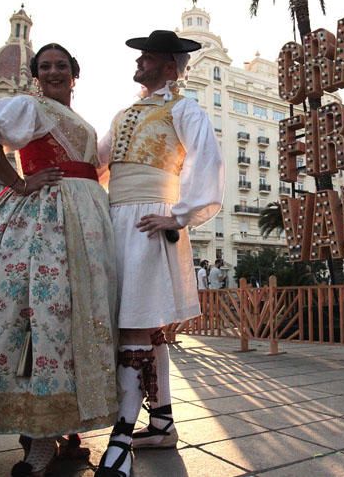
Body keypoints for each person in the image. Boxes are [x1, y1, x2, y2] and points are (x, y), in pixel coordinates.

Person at [0, 43, 119, 477]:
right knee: (39, 317)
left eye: (61, 65)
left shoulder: (80, 121)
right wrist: (18, 181)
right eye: (45, 66)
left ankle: (69, 429)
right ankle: (38, 439)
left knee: (74, 324)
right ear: (35, 75)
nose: (53, 71)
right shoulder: (29, 107)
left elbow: (95, 169)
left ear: (75, 74)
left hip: (86, 227)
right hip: (43, 223)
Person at [95, 30, 224, 477]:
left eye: (148, 57)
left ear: (169, 67)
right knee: (143, 326)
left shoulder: (184, 107)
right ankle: (163, 423)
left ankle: (120, 440)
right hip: (116, 220)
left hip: (150, 221)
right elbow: (95, 166)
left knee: (135, 324)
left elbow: (207, 157)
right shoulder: (125, 112)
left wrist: (179, 215)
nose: (140, 62)